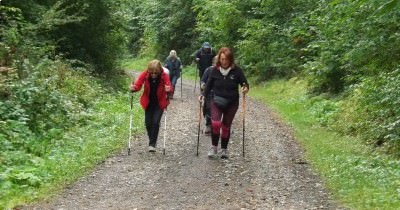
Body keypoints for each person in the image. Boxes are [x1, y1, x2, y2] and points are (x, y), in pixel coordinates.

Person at [199, 47, 249, 159]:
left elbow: (244, 84)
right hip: (216, 100)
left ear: (230, 59)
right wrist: (203, 95)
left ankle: (224, 149)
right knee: (215, 124)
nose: (224, 61)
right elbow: (208, 86)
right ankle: (214, 147)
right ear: (219, 59)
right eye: (222, 59)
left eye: (226, 59)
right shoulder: (214, 70)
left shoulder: (237, 71)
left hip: (232, 102)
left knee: (226, 126)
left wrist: (245, 88)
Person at [130, 59, 173, 152]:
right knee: (148, 123)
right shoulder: (145, 74)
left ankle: (152, 144)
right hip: (148, 102)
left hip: (159, 103)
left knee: (155, 122)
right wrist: (133, 88)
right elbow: (138, 85)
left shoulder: (164, 75)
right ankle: (152, 140)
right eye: (152, 72)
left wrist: (168, 89)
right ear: (149, 70)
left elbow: (169, 87)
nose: (153, 74)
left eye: (155, 73)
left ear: (159, 71)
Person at [200, 56, 218, 135]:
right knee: (208, 109)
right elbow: (203, 80)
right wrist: (203, 85)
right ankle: (208, 124)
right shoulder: (208, 70)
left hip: (220, 93)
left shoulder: (224, 71)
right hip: (209, 92)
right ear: (213, 62)